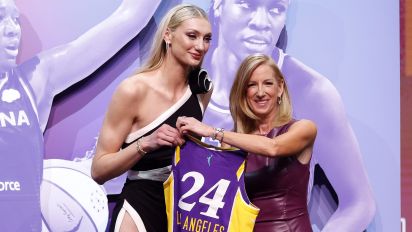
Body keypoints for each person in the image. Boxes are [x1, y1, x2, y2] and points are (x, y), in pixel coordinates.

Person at [202, 0, 376, 231]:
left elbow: (359, 203)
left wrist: (213, 133)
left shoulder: (312, 94)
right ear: (218, 5)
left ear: (281, 87)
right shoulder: (182, 83)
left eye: (276, 8)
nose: (261, 23)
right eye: (247, 4)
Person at [0, 0, 160, 230]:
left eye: (15, 19)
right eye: (0, 18)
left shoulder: (33, 82)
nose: (12, 29)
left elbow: (128, 20)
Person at [91, 4, 213, 232]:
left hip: (182, 209)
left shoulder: (203, 89)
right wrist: (146, 143)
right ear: (168, 35)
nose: (200, 46)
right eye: (192, 36)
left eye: (207, 39)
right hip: (138, 208)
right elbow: (98, 171)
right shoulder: (133, 90)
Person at [176, 53, 317, 231]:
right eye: (251, 85)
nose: (260, 92)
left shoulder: (304, 128)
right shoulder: (232, 143)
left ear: (280, 87)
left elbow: (273, 147)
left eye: (268, 83)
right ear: (243, 92)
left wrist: (213, 132)